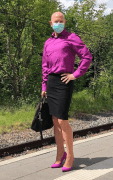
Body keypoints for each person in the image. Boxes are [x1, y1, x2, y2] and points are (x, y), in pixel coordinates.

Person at [41, 11, 92, 172]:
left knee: (62, 121)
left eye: (61, 21)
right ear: (51, 23)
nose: (58, 23)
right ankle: (59, 153)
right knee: (55, 122)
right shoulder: (48, 42)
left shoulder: (72, 37)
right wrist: (44, 86)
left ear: (64, 22)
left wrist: (75, 75)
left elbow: (86, 57)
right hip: (51, 82)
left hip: (64, 81)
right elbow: (45, 66)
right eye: (56, 21)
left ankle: (70, 155)